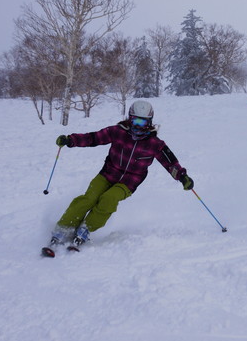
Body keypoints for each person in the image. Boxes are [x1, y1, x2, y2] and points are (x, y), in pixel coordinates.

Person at [47, 100, 194, 249]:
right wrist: (71, 140)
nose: (138, 126)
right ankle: (64, 227)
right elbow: (94, 138)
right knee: (88, 198)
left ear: (149, 122)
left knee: (108, 199)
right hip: (107, 174)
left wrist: (182, 176)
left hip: (129, 182)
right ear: (130, 118)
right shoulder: (118, 132)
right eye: (135, 120)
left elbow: (170, 162)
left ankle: (86, 228)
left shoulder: (155, 144)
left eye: (143, 122)